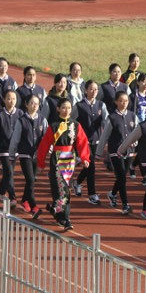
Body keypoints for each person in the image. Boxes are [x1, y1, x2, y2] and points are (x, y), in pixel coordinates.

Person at [37, 97, 91, 230]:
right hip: (57, 159)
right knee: (61, 188)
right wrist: (41, 162)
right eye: (63, 108)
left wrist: (85, 158)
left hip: (70, 160)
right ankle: (64, 217)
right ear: (58, 109)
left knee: (65, 187)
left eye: (68, 108)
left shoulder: (76, 125)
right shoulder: (53, 126)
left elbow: (82, 142)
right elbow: (44, 145)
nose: (66, 110)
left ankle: (57, 211)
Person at [95, 91, 137, 215]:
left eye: (126, 101)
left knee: (122, 176)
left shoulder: (133, 116)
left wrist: (136, 143)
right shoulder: (112, 118)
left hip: (129, 151)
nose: (123, 103)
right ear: (116, 102)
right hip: (115, 151)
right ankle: (125, 204)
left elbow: (137, 132)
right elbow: (104, 136)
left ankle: (113, 194)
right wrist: (99, 152)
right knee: (122, 178)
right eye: (121, 101)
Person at [8, 95, 48, 219]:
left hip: (37, 154)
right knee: (30, 179)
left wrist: (48, 150)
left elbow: (47, 138)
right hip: (25, 154)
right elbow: (15, 139)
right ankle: (34, 206)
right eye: (32, 103)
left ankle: (24, 199)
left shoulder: (42, 120)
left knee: (32, 179)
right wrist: (11, 154)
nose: (34, 106)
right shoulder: (21, 120)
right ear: (26, 104)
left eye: (36, 103)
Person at [73, 80, 106, 205]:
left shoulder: (101, 105)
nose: (93, 92)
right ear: (85, 90)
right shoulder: (79, 106)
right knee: (91, 167)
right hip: (82, 142)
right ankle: (92, 194)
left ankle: (77, 183)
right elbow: (71, 122)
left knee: (89, 166)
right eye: (91, 89)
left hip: (95, 140)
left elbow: (106, 120)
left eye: (96, 89)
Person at [0, 90, 21, 202]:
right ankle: (12, 196)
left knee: (9, 172)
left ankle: (1, 190)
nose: (11, 101)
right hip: (2, 148)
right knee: (9, 171)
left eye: (14, 98)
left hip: (14, 149)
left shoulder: (20, 114)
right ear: (4, 100)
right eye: (9, 98)